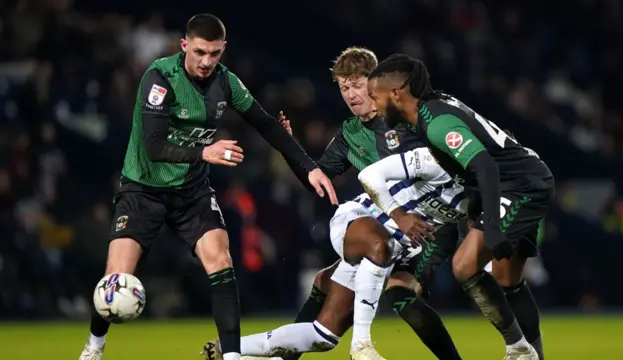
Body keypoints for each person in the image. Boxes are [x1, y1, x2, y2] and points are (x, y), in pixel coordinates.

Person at [79, 14, 337, 360]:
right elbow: (154, 147)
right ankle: (95, 347)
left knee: (221, 260)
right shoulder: (159, 78)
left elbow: (266, 125)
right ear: (184, 45)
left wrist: (309, 169)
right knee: (115, 279)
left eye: (214, 54)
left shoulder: (227, 83)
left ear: (223, 50)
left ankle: (230, 356)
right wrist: (205, 151)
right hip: (143, 190)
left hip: (191, 192)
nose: (206, 61)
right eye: (200, 52)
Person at [202, 47, 462, 360]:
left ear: (374, 82)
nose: (350, 94)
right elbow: (319, 181)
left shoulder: (404, 117)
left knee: (399, 295)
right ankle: (241, 351)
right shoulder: (349, 133)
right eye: (343, 88)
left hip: (431, 226)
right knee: (327, 312)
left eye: (356, 85)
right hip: (385, 223)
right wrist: (289, 148)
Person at [367, 54, 554, 360]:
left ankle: (519, 350)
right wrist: (476, 209)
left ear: (397, 93)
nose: (374, 106)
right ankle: (534, 356)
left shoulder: (435, 124)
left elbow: (486, 166)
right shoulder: (429, 113)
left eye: (376, 97)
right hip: (523, 178)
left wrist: (491, 225)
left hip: (520, 186)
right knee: (508, 280)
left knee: (464, 266)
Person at [203, 147, 466, 360]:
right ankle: (362, 346)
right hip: (356, 219)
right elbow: (370, 176)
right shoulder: (432, 158)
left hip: (381, 256)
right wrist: (399, 216)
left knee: (323, 336)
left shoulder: (471, 197)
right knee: (379, 245)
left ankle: (232, 348)